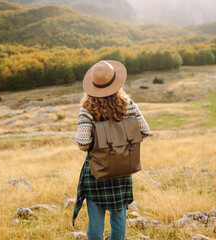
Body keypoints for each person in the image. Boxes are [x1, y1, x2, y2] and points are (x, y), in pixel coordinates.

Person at [72, 60, 150, 240]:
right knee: (119, 218)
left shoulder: (87, 110)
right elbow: (145, 131)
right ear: (116, 83)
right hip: (122, 170)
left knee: (95, 224)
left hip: (97, 172)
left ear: (92, 86)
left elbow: (83, 144)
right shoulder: (129, 104)